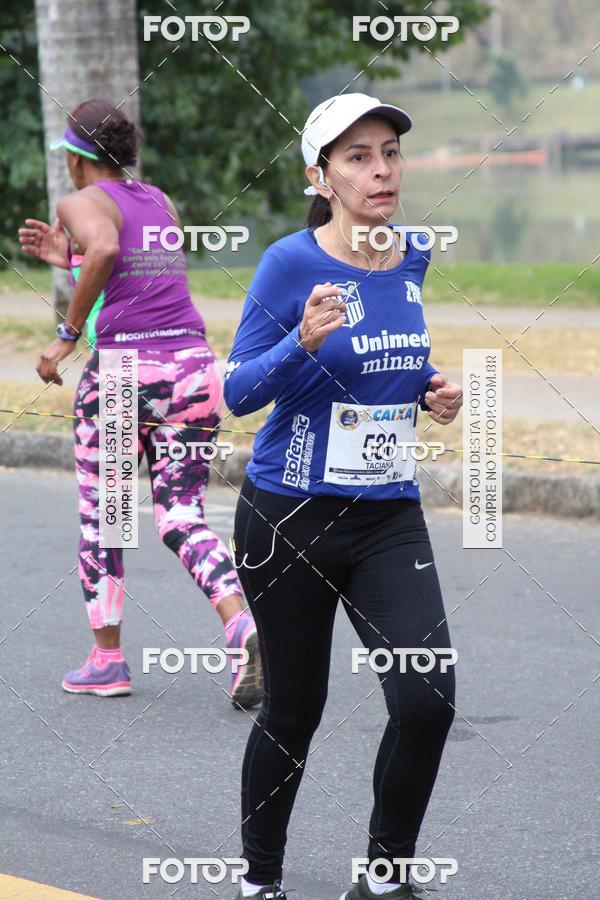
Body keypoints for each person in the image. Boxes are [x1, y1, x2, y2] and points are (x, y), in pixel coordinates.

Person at [223, 94, 463, 899]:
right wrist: (300, 342)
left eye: (390, 151)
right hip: (288, 515)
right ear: (319, 177)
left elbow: (389, 362)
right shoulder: (290, 264)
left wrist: (429, 389)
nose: (382, 170)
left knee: (426, 699)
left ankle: (385, 878)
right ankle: (261, 882)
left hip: (388, 515)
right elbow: (237, 392)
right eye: (358, 156)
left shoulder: (415, 255)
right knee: (295, 712)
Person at [19, 99, 262, 708]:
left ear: (77, 159)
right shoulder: (159, 201)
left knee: (107, 514)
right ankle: (241, 627)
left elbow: (103, 251)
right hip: (193, 366)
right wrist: (68, 259)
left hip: (127, 370)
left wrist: (65, 336)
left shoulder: (78, 202)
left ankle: (106, 661)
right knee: (181, 516)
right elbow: (132, 279)